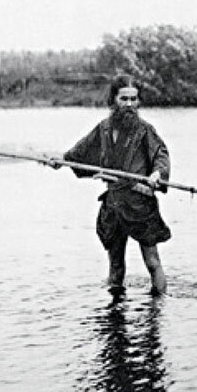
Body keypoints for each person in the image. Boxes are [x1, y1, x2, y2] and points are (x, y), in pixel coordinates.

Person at [52, 74, 171, 295]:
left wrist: (157, 174)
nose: (129, 105)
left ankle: (157, 313)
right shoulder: (104, 129)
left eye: (133, 99)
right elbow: (79, 153)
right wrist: (60, 160)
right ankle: (114, 317)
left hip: (139, 204)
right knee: (115, 268)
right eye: (123, 99)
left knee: (152, 262)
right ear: (113, 100)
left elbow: (160, 156)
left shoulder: (145, 131)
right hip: (113, 204)